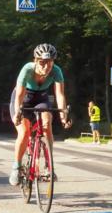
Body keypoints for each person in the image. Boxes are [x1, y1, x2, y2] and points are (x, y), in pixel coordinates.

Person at [9, 43, 71, 185]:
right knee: (24, 132)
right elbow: (19, 95)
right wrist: (18, 112)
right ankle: (16, 167)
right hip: (23, 98)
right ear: (35, 61)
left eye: (49, 63)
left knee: (47, 123)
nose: (45, 67)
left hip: (41, 98)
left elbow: (60, 95)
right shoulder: (27, 70)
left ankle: (49, 166)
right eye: (42, 63)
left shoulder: (56, 71)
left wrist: (63, 116)